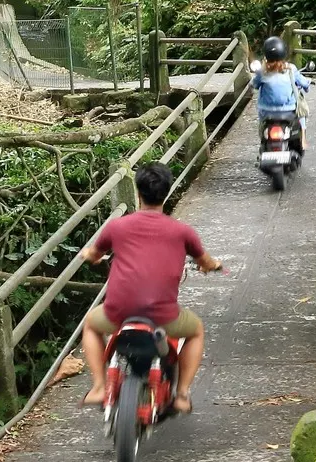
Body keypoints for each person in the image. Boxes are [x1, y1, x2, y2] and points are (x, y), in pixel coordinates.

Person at [78, 161, 223, 413]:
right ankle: (182, 393)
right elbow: (205, 261)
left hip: (118, 313)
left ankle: (100, 386)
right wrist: (213, 265)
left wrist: (89, 255)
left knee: (91, 325)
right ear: (166, 193)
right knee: (196, 330)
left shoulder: (116, 227)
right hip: (163, 317)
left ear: (138, 193)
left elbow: (94, 253)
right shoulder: (182, 231)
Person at [252, 36, 311, 154]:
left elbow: (254, 84)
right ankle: (303, 139)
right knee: (302, 112)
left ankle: (263, 140)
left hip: (267, 112)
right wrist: (307, 84)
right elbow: (303, 82)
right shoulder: (291, 69)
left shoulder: (262, 72)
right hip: (288, 111)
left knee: (262, 124)